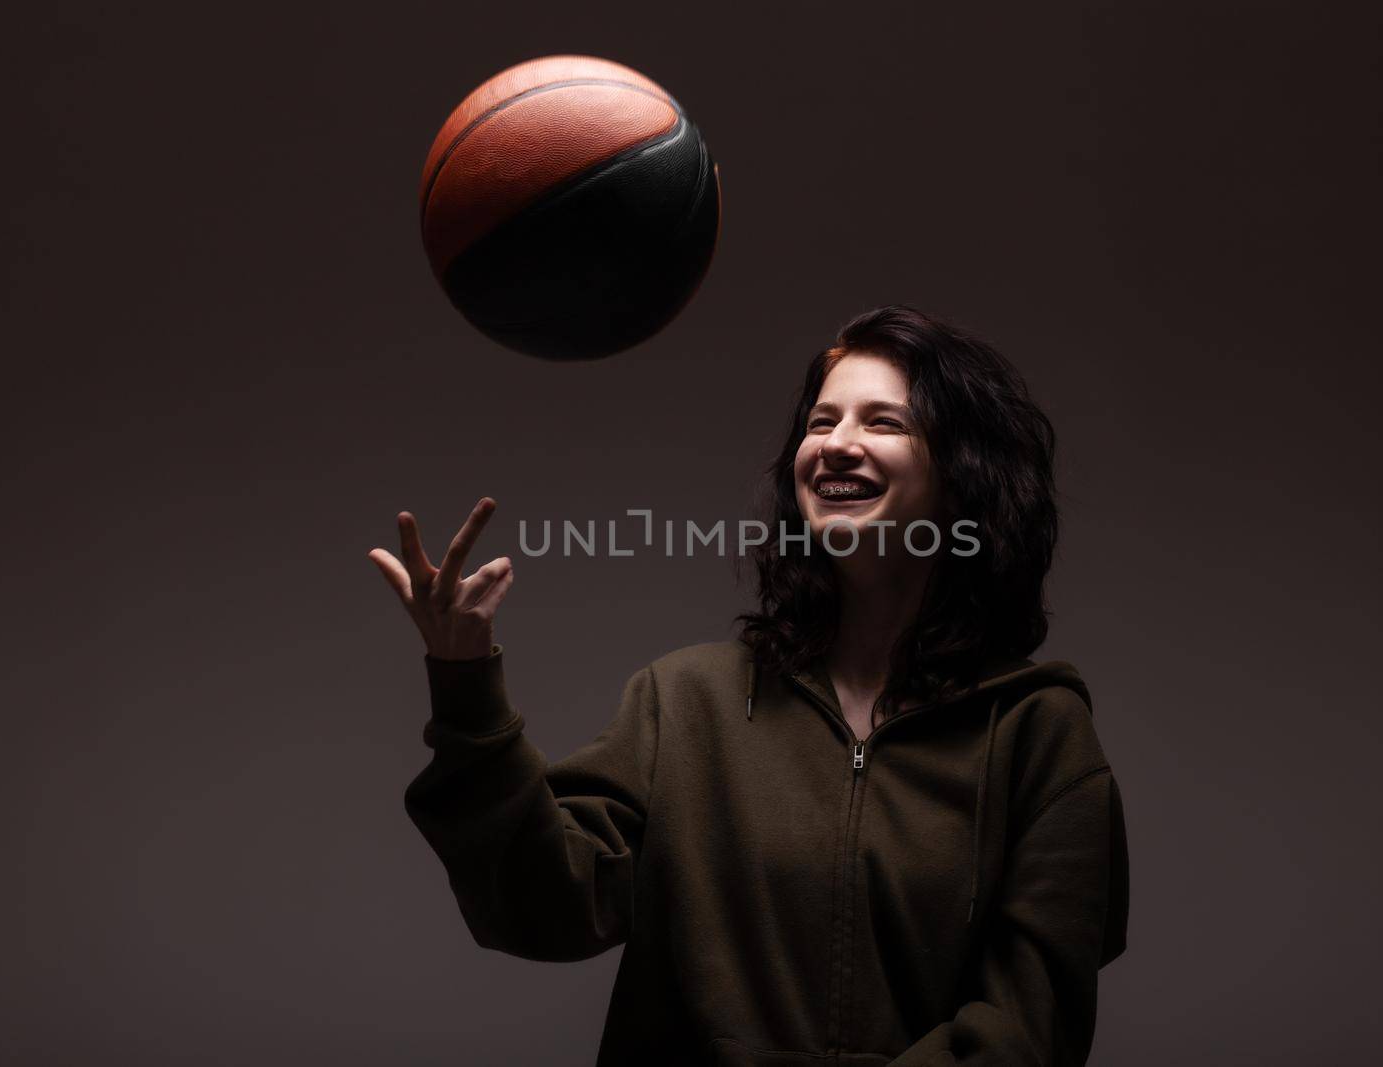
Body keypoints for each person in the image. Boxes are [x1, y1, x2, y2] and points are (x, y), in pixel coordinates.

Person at [368, 305, 1130, 1065]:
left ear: (964, 480)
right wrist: (465, 680)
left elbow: (1028, 1030)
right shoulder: (685, 702)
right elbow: (539, 906)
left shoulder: (1042, 736)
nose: (836, 445)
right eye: (821, 420)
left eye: (885, 422)